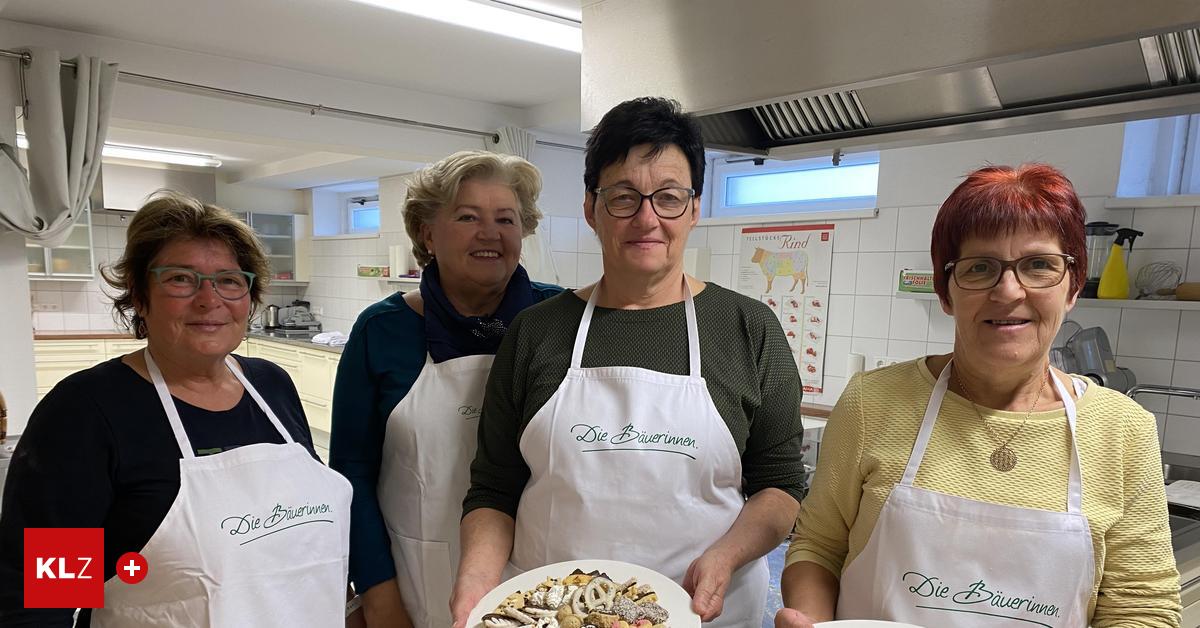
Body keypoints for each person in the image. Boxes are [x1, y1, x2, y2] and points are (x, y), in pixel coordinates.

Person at [452, 97, 806, 628]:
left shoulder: (748, 328)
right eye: (623, 197)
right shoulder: (537, 332)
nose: (647, 218)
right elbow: (494, 487)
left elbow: (780, 483)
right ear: (592, 209)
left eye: (667, 197)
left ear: (694, 208)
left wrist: (726, 556)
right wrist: (476, 591)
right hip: (555, 613)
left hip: (704, 613)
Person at [777, 164, 1181, 628]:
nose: (1008, 291)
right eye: (980, 267)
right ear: (945, 292)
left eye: (1039, 265)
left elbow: (1140, 605)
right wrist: (811, 621)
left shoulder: (1123, 430)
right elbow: (820, 545)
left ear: (1072, 286)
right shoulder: (875, 401)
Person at [0, 191, 351, 627]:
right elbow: (43, 597)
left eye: (229, 280)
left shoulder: (270, 385)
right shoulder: (86, 412)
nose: (209, 300)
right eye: (180, 279)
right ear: (140, 296)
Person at [330, 150, 560, 628]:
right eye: (467, 216)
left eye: (506, 218)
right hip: (418, 577)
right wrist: (377, 593)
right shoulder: (383, 330)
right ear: (427, 232)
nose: (490, 233)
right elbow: (352, 472)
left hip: (545, 577)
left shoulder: (560, 320)